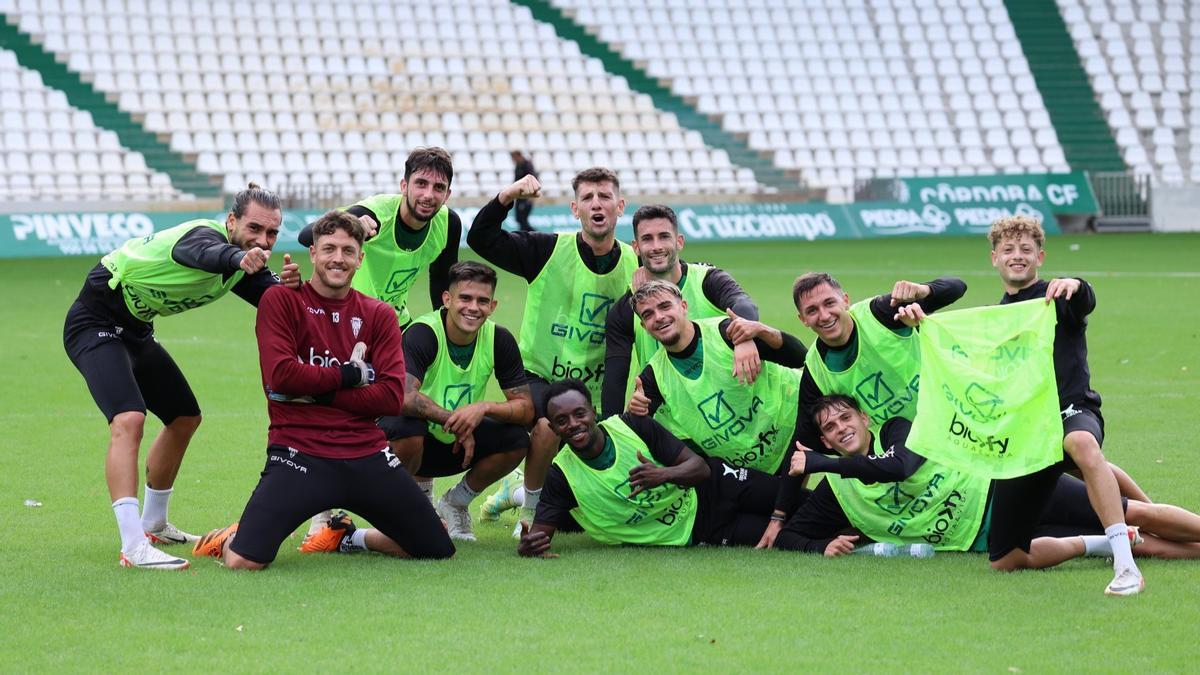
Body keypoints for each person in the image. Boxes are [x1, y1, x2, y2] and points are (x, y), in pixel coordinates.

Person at [191, 210, 454, 568]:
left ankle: (347, 537)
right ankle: (230, 537)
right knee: (244, 562)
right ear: (313, 253)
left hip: (366, 453)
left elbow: (391, 396)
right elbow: (282, 377)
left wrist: (318, 392)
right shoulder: (281, 300)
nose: (338, 259)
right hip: (300, 451)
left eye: (348, 251)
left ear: (360, 259)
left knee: (436, 546)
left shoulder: (379, 315)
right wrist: (350, 376)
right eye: (329, 248)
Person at [63, 183, 300, 570]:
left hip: (136, 332)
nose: (263, 239)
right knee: (129, 418)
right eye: (254, 228)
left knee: (184, 417)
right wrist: (236, 259)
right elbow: (201, 253)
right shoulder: (204, 238)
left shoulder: (246, 264)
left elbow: (283, 305)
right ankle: (132, 546)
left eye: (271, 233)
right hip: (94, 322)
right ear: (231, 221)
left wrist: (295, 287)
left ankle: (153, 523)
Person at [776, 395, 1200, 564]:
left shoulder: (899, 430)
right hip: (984, 535)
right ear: (826, 440)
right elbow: (789, 536)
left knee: (1131, 514)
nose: (840, 429)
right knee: (1131, 541)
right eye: (830, 429)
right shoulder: (836, 490)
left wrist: (819, 464)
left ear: (863, 418)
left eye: (845, 418)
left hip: (1005, 490)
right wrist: (820, 544)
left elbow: (898, 468)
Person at [983, 215, 1144, 595]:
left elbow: (1083, 297)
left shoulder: (1057, 296)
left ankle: (1125, 565)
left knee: (1081, 445)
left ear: (1041, 255)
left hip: (1071, 412)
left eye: (1026, 249)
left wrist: (1076, 284)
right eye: (1008, 250)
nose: (1017, 256)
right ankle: (1105, 542)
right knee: (1005, 559)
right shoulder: (994, 318)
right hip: (1028, 436)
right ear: (995, 258)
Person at [468, 167, 638, 528]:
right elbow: (481, 238)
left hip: (593, 388)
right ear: (575, 209)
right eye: (588, 198)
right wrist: (507, 196)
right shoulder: (546, 249)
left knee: (577, 512)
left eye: (605, 196)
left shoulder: (634, 264)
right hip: (538, 376)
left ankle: (514, 492)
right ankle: (529, 515)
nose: (597, 204)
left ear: (620, 206)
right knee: (551, 423)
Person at [517, 379, 801, 557]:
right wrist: (529, 546)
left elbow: (699, 469)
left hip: (719, 485)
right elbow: (541, 534)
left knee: (806, 504)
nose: (574, 424)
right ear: (553, 427)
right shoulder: (561, 476)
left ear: (592, 412)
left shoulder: (632, 425)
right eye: (562, 420)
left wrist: (662, 475)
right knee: (789, 536)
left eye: (580, 414)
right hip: (702, 528)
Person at [627, 280, 809, 548]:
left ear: (684, 306)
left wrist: (757, 332)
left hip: (791, 430)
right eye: (648, 315)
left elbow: (800, 358)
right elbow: (636, 432)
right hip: (748, 465)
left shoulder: (725, 332)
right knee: (786, 519)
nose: (659, 317)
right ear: (643, 326)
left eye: (665, 306)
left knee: (798, 511)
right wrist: (635, 413)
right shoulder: (653, 377)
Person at [369, 261, 533, 542]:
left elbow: (526, 408)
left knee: (517, 439)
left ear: (492, 306)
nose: (473, 307)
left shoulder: (498, 339)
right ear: (447, 299)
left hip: (458, 445)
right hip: (415, 441)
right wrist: (453, 421)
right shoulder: (424, 333)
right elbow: (403, 396)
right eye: (465, 298)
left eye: (482, 301)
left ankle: (455, 503)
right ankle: (407, 510)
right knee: (405, 425)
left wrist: (483, 408)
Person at [599, 203, 761, 418]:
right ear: (636, 248)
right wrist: (613, 430)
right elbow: (615, 381)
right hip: (674, 425)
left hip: (732, 408)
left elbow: (744, 305)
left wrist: (744, 337)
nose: (656, 246)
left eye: (664, 236)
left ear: (679, 241)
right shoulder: (624, 310)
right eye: (647, 239)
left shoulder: (707, 279)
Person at [791, 271, 966, 448]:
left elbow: (957, 286)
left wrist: (925, 290)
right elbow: (806, 437)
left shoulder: (880, 313)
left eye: (829, 303)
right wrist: (868, 452)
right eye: (812, 310)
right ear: (803, 319)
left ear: (845, 300)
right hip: (907, 452)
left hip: (955, 424)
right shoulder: (815, 368)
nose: (824, 315)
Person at [298, 146, 460, 330]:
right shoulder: (375, 214)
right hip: (348, 318)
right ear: (404, 186)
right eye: (421, 184)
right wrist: (351, 228)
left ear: (447, 195)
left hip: (394, 319)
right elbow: (306, 236)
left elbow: (442, 280)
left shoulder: (449, 223)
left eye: (439, 187)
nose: (428, 195)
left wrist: (446, 332)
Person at [510, 149, 537, 232]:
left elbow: (533, 179)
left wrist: (532, 196)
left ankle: (532, 234)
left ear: (518, 156)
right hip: (519, 196)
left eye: (514, 158)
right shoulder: (518, 166)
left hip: (527, 195)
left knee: (523, 219)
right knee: (519, 219)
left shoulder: (527, 165)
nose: (513, 160)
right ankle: (529, 235)